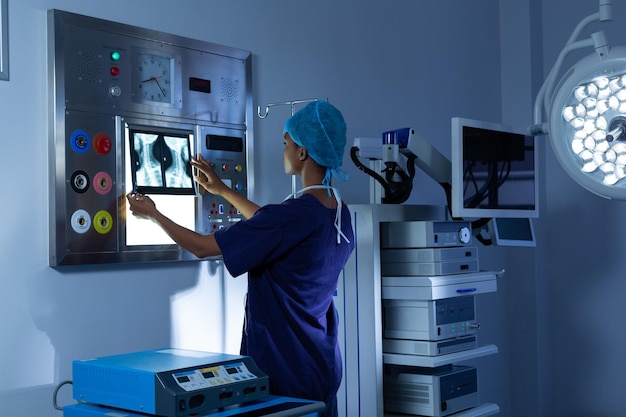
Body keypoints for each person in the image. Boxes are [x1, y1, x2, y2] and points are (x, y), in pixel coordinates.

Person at [127, 100, 355, 417]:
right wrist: (221, 189)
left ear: (302, 153)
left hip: (285, 372)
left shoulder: (291, 217)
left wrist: (153, 214)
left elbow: (202, 247)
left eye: (286, 144)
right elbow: (272, 226)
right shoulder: (337, 212)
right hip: (322, 366)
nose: (283, 151)